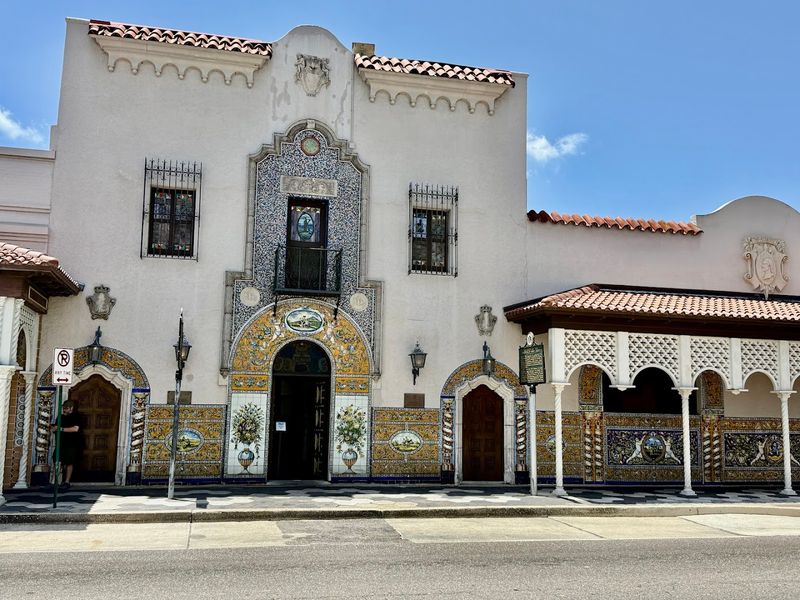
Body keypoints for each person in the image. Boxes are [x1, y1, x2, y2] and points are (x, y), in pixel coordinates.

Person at [50, 401, 81, 489]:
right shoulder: (60, 417)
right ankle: (56, 481)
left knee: (69, 462)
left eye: (66, 408)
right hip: (60, 442)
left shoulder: (76, 417)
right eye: (64, 408)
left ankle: (67, 481)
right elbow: (55, 428)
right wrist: (54, 429)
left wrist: (61, 429)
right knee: (57, 460)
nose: (64, 409)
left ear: (71, 408)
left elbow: (75, 429)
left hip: (71, 443)